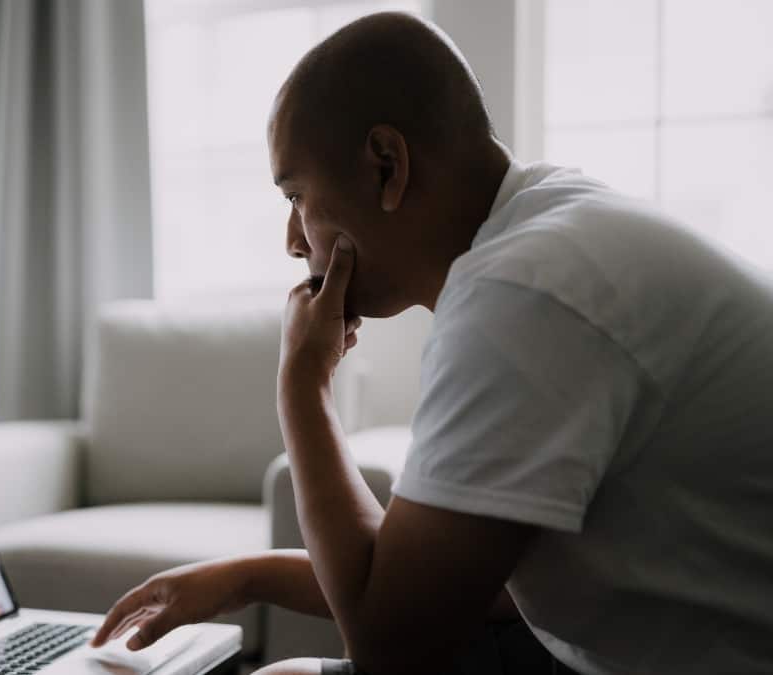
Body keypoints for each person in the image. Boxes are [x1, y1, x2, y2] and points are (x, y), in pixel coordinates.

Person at [90, 11, 773, 675]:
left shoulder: (522, 297)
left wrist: (302, 386)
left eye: (297, 197)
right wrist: (245, 577)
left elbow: (393, 647)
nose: (293, 241)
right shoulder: (549, 225)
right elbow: (465, 578)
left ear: (387, 165)